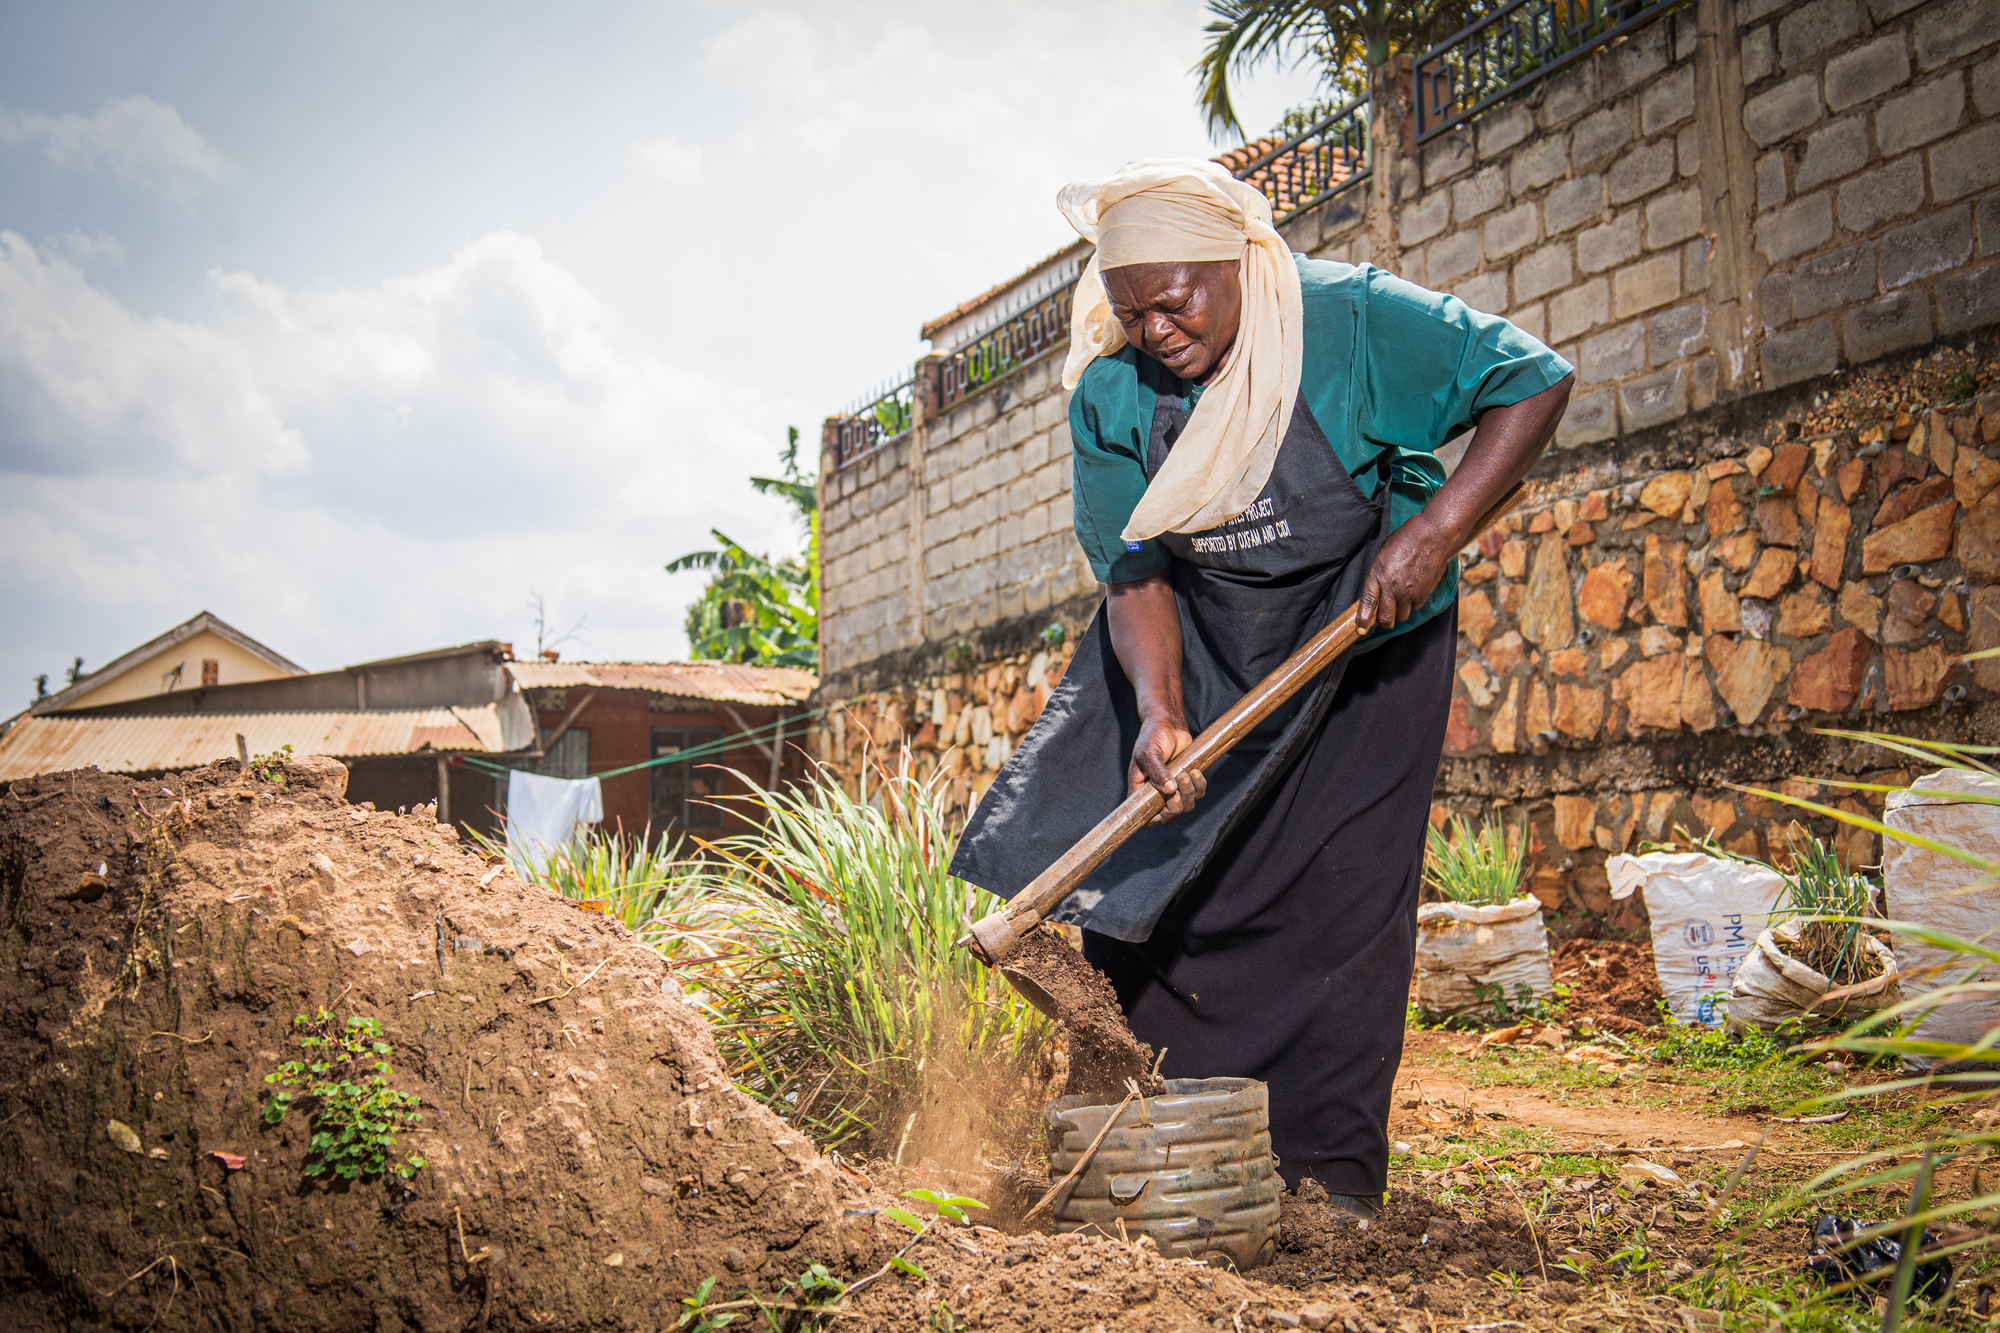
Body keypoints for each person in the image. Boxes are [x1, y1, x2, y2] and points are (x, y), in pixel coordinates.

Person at [949, 157, 1574, 1219]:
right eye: (1127, 310)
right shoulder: (1113, 395)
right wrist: (1158, 711)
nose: (1151, 330)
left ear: (1236, 259)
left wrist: (1434, 529)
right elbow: (1133, 568)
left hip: (1362, 638)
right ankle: (1152, 1161)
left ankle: (1322, 1183)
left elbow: (1531, 376)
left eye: (1171, 301)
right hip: (1201, 641)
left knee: (1343, 900)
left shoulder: (1350, 321)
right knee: (1159, 890)